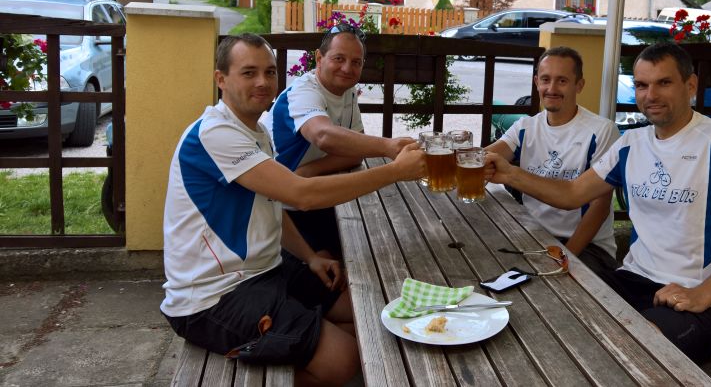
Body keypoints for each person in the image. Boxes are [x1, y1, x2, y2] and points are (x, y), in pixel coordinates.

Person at [484, 42, 711, 363]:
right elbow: (572, 194)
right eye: (642, 85)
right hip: (631, 280)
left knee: (626, 352)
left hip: (700, 303)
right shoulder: (631, 143)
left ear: (690, 85)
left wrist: (703, 294)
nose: (650, 95)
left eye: (663, 83)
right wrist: (510, 174)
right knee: (546, 309)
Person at [160, 33, 425, 386]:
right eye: (249, 73)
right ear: (221, 79)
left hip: (265, 269)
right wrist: (394, 171)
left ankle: (294, 343)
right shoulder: (214, 134)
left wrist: (309, 256)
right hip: (213, 297)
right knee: (345, 360)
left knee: (362, 309)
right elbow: (301, 195)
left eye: (270, 72)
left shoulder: (255, 130)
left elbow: (271, 204)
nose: (262, 82)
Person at [262, 25, 416, 254]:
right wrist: (388, 146)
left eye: (356, 62)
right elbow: (323, 135)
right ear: (319, 58)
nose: (347, 68)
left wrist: (310, 170)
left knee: (388, 237)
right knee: (361, 252)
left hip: (313, 193)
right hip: (281, 209)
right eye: (339, 59)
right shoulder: (303, 92)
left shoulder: (347, 92)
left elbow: (355, 153)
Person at [486, 46, 619, 275]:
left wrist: (566, 257)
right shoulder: (525, 127)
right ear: (536, 82)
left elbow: (601, 206)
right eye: (546, 80)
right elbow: (484, 158)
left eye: (562, 81)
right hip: (535, 236)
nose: (552, 88)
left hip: (587, 247)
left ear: (579, 85)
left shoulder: (602, 131)